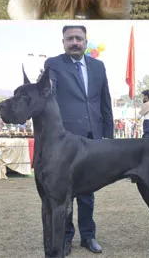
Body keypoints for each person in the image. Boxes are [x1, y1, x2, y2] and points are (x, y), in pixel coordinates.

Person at [44, 25, 112, 255]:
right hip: (66, 139)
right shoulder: (54, 64)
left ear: (86, 41)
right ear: (63, 41)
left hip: (93, 137)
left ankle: (88, 236)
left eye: (79, 39)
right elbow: (49, 95)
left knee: (87, 191)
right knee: (65, 193)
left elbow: (105, 102)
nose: (75, 42)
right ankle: (65, 238)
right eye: (70, 38)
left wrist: (108, 139)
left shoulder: (98, 66)